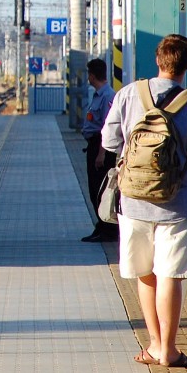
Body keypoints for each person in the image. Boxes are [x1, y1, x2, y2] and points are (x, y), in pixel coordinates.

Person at [101, 34, 187, 368]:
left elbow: (109, 139)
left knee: (146, 274)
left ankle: (155, 345)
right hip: (178, 205)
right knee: (170, 276)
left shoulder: (130, 93)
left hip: (133, 202)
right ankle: (169, 351)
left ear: (158, 61)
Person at [81, 58, 117, 242]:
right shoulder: (98, 95)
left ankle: (108, 230)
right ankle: (101, 226)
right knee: (94, 190)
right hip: (94, 147)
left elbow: (107, 128)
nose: (88, 78)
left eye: (89, 74)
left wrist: (102, 154)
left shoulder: (107, 97)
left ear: (92, 76)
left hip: (101, 149)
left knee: (101, 190)